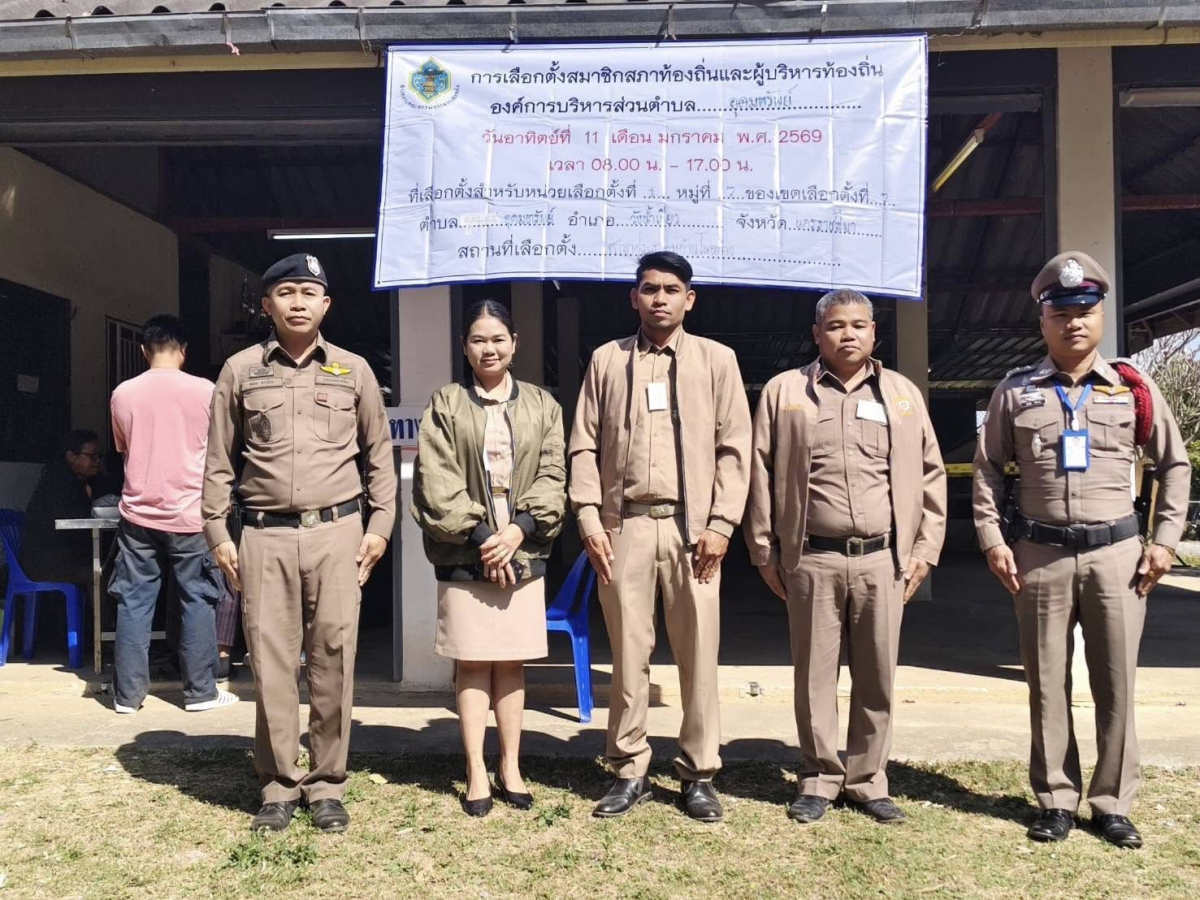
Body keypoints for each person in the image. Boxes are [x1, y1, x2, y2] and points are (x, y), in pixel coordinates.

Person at [973, 252, 1190, 849]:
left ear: (1101, 316)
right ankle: (1056, 798)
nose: (1074, 323)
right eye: (1061, 312)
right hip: (1038, 555)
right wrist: (993, 539)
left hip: (1117, 557)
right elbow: (989, 471)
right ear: (1042, 320)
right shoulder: (1016, 391)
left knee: (1116, 681)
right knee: (1045, 681)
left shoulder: (1134, 388)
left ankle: (1112, 802)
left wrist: (1164, 541)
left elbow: (1173, 465)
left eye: (1085, 311)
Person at [202, 253, 397, 834]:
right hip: (263, 536)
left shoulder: (354, 371)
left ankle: (328, 784)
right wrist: (218, 531)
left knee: (335, 660)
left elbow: (379, 460)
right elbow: (218, 462)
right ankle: (279, 785)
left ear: (326, 305)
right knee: (271, 663)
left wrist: (380, 527)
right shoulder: (239, 372)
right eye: (285, 292)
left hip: (338, 534)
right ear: (267, 305)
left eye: (309, 293)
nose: (298, 302)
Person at [744, 289, 947, 826]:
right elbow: (759, 470)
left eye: (859, 325)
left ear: (875, 333)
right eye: (836, 326)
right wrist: (764, 548)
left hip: (884, 560)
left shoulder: (901, 394)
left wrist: (925, 549)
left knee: (877, 674)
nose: (848, 334)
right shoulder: (787, 393)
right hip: (813, 559)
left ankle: (867, 779)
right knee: (814, 675)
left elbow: (931, 473)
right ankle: (818, 778)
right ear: (817, 334)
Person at [569, 251, 752, 822]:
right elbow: (583, 444)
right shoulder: (607, 360)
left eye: (672, 289)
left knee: (699, 654)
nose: (660, 298)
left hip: (692, 530)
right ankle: (629, 769)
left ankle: (699, 772)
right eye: (649, 288)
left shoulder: (717, 361)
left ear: (689, 299)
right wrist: (588, 517)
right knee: (627, 653)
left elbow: (734, 449)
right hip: (624, 529)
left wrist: (722, 524)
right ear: (634, 297)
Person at [411, 300, 566, 817]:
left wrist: (517, 532)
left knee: (511, 662)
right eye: (478, 339)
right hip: (466, 549)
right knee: (473, 662)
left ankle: (512, 765)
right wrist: (484, 537)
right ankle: (477, 768)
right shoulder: (446, 403)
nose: (489, 348)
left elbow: (552, 475)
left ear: (515, 343)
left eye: (498, 338)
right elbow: (436, 481)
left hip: (521, 550)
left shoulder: (543, 405)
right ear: (464, 347)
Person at [108, 314, 237, 714]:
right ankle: (200, 692)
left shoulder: (123, 393)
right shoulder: (206, 391)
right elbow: (221, 449)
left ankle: (127, 697)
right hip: (191, 514)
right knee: (197, 600)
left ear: (145, 350)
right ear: (183, 351)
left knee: (133, 602)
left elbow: (124, 447)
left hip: (138, 514)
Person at [19, 430, 105, 586]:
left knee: (106, 565)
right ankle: (98, 612)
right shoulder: (59, 482)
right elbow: (71, 524)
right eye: (92, 456)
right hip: (45, 561)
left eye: (99, 456)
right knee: (101, 573)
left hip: (62, 556)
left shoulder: (85, 481)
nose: (97, 461)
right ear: (71, 456)